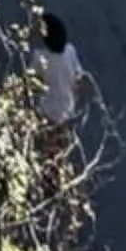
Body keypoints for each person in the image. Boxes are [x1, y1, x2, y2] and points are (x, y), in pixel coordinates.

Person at [37, 9, 90, 155]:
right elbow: (78, 76)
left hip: (48, 108)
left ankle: (51, 165)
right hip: (66, 106)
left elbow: (33, 79)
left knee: (49, 143)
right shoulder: (70, 51)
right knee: (61, 141)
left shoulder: (39, 58)